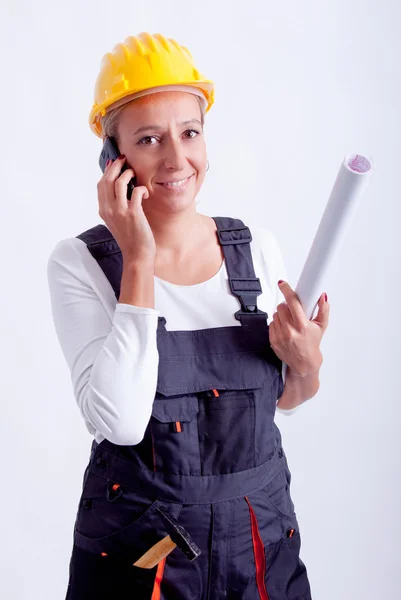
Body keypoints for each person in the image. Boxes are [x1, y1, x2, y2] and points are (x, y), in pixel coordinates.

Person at [47, 32, 329, 600]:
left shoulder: (256, 250)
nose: (177, 160)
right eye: (150, 139)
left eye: (190, 132)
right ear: (114, 158)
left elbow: (285, 399)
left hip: (261, 548)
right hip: (145, 562)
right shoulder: (80, 264)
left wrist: (308, 364)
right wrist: (140, 259)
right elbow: (122, 424)